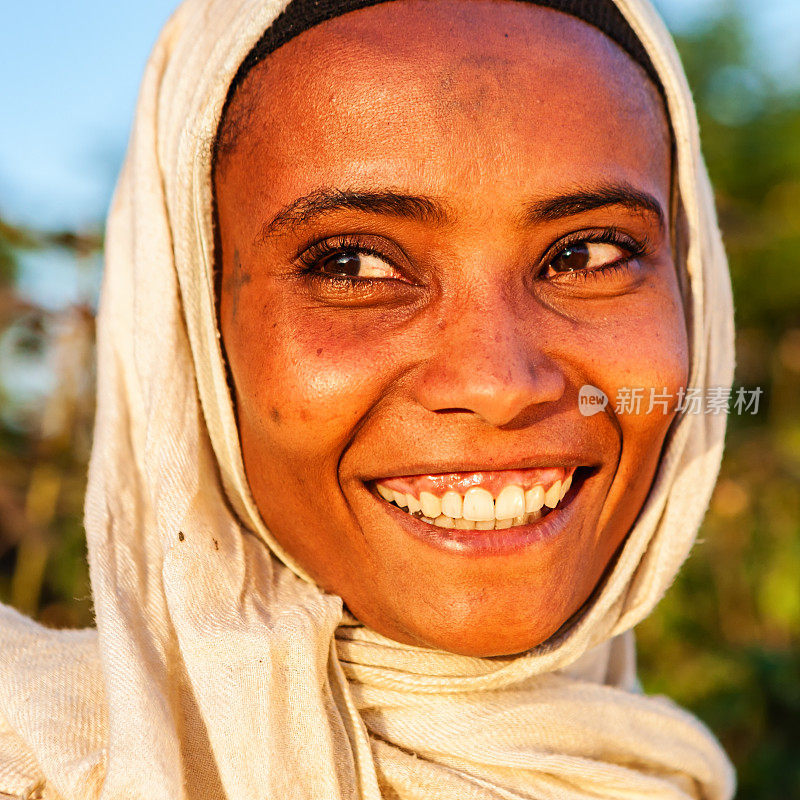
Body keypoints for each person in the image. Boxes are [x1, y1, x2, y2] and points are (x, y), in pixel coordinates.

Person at [0, 0, 737, 798]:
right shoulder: (49, 764)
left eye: (590, 252)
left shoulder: (657, 774)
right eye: (351, 264)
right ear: (192, 322)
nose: (497, 384)